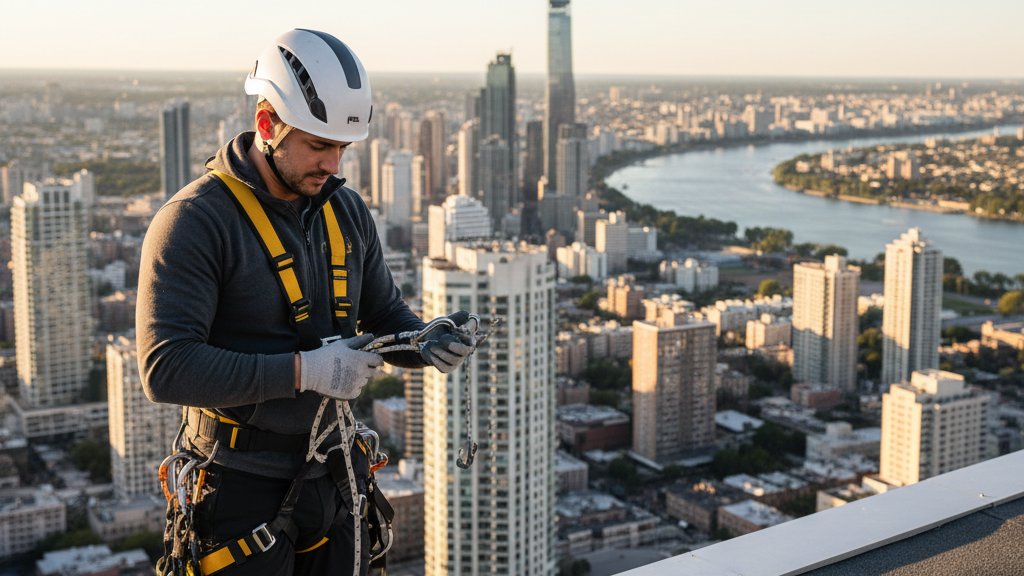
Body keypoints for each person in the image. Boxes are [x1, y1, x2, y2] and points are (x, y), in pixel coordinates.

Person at [137, 29, 473, 576]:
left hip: (332, 472)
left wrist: (424, 342)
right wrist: (304, 371)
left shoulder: (346, 213)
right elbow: (166, 368)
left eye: (342, 147)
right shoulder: (196, 221)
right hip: (237, 482)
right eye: (319, 145)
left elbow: (385, 317)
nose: (334, 165)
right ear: (268, 125)